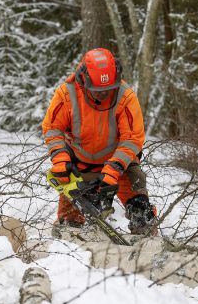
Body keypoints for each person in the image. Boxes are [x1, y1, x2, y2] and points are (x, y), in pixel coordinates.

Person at [42, 48, 157, 235]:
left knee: (138, 192)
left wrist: (113, 170)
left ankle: (144, 231)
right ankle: (70, 232)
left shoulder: (125, 96)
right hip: (80, 160)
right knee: (68, 225)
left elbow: (133, 138)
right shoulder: (67, 93)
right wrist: (60, 158)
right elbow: (52, 128)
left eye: (108, 90)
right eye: (98, 91)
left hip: (118, 161)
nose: (103, 95)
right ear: (84, 80)